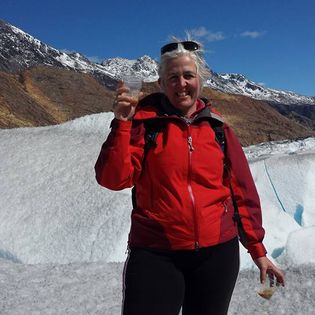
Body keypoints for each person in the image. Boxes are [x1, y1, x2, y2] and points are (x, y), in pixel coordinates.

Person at [95, 39, 285, 315]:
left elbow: (242, 192)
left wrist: (258, 250)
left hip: (217, 255)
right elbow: (113, 179)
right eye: (173, 77)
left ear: (200, 81)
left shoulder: (218, 129)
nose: (181, 83)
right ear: (161, 83)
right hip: (156, 253)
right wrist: (122, 125)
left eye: (188, 76)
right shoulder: (144, 126)